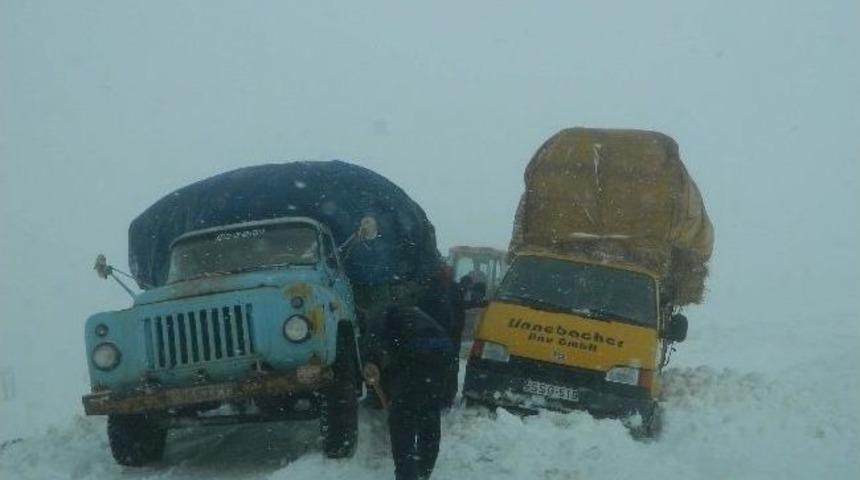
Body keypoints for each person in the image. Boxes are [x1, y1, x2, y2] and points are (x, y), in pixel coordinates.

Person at [365, 305, 454, 480]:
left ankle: (407, 475)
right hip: (443, 350)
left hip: (418, 351)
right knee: (429, 411)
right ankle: (423, 471)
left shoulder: (376, 318)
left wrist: (370, 361)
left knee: (402, 421)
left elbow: (374, 352)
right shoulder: (409, 313)